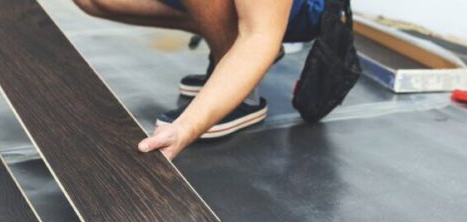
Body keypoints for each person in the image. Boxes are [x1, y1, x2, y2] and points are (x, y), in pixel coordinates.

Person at [73, 0, 325, 159]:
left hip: (305, 9)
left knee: (252, 34)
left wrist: (186, 128)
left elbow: (259, 35)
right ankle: (228, 56)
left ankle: (242, 94)